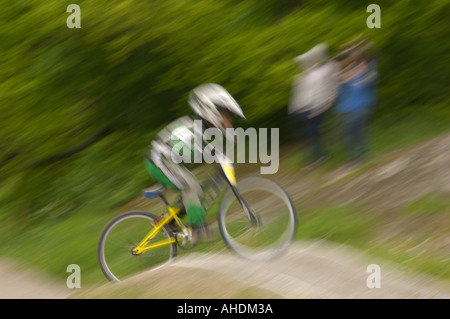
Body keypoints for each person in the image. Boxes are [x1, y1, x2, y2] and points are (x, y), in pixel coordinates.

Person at [144, 83, 246, 243]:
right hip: (158, 161)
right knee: (192, 188)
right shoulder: (191, 125)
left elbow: (200, 149)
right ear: (211, 110)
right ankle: (198, 229)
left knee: (196, 189)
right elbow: (190, 148)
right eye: (224, 114)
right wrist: (214, 154)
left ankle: (168, 221)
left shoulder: (201, 127)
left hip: (167, 161)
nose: (227, 119)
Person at [288, 43, 340, 166]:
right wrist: (293, 108)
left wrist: (329, 101)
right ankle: (318, 155)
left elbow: (332, 83)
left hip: (316, 108)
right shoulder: (303, 76)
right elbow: (299, 95)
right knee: (310, 135)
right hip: (304, 110)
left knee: (314, 133)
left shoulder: (323, 70)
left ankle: (319, 157)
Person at [334, 36, 378, 165]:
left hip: (361, 104)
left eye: (354, 51)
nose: (352, 54)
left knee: (357, 131)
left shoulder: (369, 65)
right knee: (348, 133)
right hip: (346, 106)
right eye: (350, 53)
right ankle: (354, 157)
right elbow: (339, 83)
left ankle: (361, 156)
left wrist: (361, 43)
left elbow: (366, 83)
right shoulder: (346, 69)